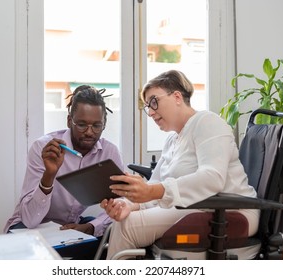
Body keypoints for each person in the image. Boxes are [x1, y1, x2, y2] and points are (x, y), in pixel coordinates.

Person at [100, 70, 260, 259]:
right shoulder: (172, 141)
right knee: (122, 220)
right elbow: (156, 183)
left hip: (229, 211)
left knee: (127, 227)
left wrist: (152, 192)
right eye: (147, 107)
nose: (150, 112)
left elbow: (212, 178)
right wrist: (128, 205)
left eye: (153, 101)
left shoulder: (207, 122)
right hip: (192, 207)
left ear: (177, 96)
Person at [4, 85, 124, 246]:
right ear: (69, 121)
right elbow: (30, 219)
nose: (89, 132)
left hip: (68, 228)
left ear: (104, 124)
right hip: (28, 226)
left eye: (96, 125)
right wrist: (49, 175)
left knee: (107, 234)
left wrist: (90, 227)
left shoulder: (109, 152)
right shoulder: (45, 148)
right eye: (82, 124)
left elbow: (121, 203)